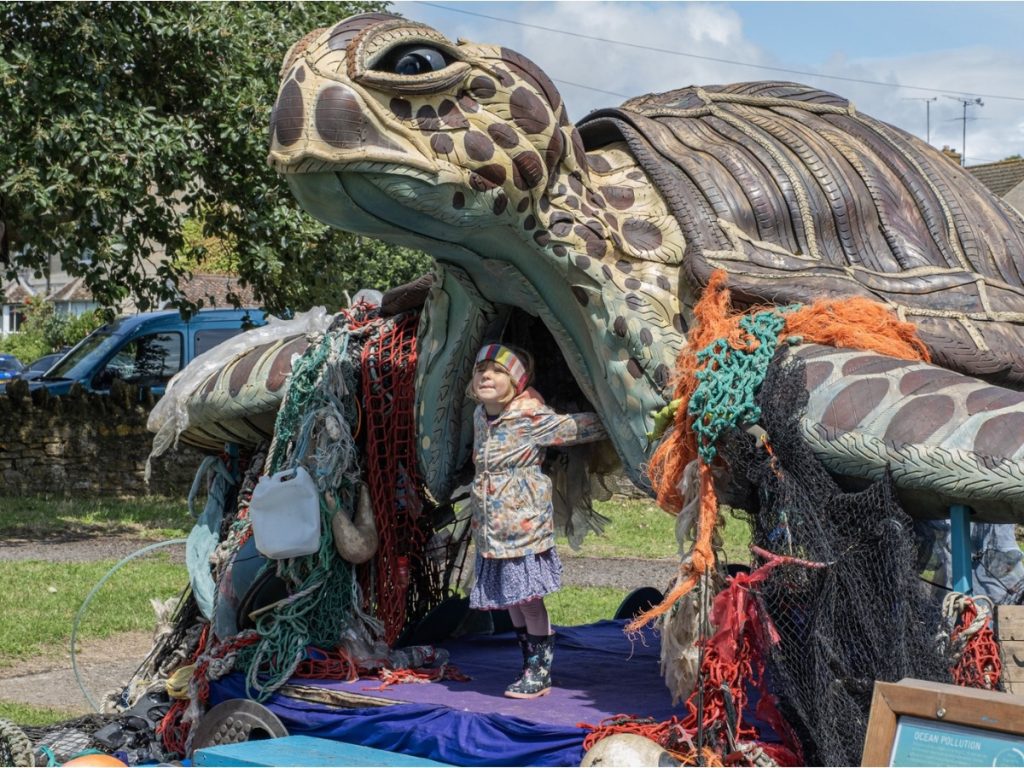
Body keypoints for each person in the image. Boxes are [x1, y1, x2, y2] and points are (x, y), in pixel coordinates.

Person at [466, 342, 607, 698]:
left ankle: (540, 671)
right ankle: (528, 662)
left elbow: (576, 428)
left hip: (521, 522)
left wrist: (611, 414)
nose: (486, 376)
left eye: (498, 371)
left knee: (528, 598)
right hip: (492, 527)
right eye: (481, 371)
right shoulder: (479, 416)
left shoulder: (529, 416)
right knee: (512, 598)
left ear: (515, 382)